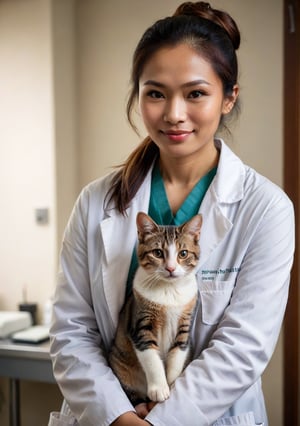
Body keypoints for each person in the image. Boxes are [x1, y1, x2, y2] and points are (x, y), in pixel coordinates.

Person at [48, 2, 294, 426]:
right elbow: (72, 332)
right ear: (138, 96)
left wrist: (159, 421)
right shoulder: (95, 202)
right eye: (156, 93)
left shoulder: (266, 209)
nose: (173, 114)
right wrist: (120, 417)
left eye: (195, 93)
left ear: (228, 98)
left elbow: (242, 348)